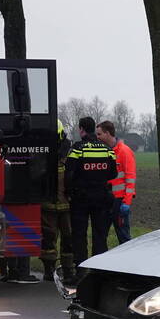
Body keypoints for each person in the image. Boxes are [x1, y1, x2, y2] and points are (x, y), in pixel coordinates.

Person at [66, 116, 116, 272]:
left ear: (81, 129)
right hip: (101, 197)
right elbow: (113, 174)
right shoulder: (107, 150)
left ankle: (81, 270)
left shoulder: (78, 149)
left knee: (79, 235)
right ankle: (98, 270)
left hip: (80, 199)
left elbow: (69, 174)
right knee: (100, 235)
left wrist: (69, 193)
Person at [40, 120, 75, 283]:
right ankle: (49, 270)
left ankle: (68, 270)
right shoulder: (42, 153)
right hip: (49, 204)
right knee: (48, 239)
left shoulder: (69, 153)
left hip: (66, 205)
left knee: (68, 238)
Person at [95, 120, 136, 244]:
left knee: (123, 237)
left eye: (99, 134)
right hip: (106, 200)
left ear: (107, 133)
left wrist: (127, 202)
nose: (97, 137)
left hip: (119, 201)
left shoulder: (124, 151)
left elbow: (130, 178)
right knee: (100, 235)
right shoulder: (102, 151)